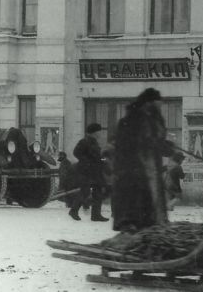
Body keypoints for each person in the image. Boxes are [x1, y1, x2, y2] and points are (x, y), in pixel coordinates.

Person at [111, 88, 175, 233]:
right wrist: (153, 144)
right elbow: (128, 144)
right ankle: (129, 223)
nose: (160, 106)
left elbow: (157, 141)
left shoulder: (155, 120)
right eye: (157, 103)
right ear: (148, 103)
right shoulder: (130, 120)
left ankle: (151, 223)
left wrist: (167, 147)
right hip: (132, 167)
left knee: (151, 197)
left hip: (150, 167)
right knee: (133, 197)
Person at [70, 123, 109, 222]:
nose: (100, 133)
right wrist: (87, 162)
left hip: (95, 170)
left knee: (98, 191)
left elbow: (95, 155)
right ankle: (73, 211)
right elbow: (76, 152)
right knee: (85, 191)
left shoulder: (94, 142)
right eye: (99, 131)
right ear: (94, 132)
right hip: (86, 171)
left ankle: (96, 215)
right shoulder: (84, 141)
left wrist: (102, 159)